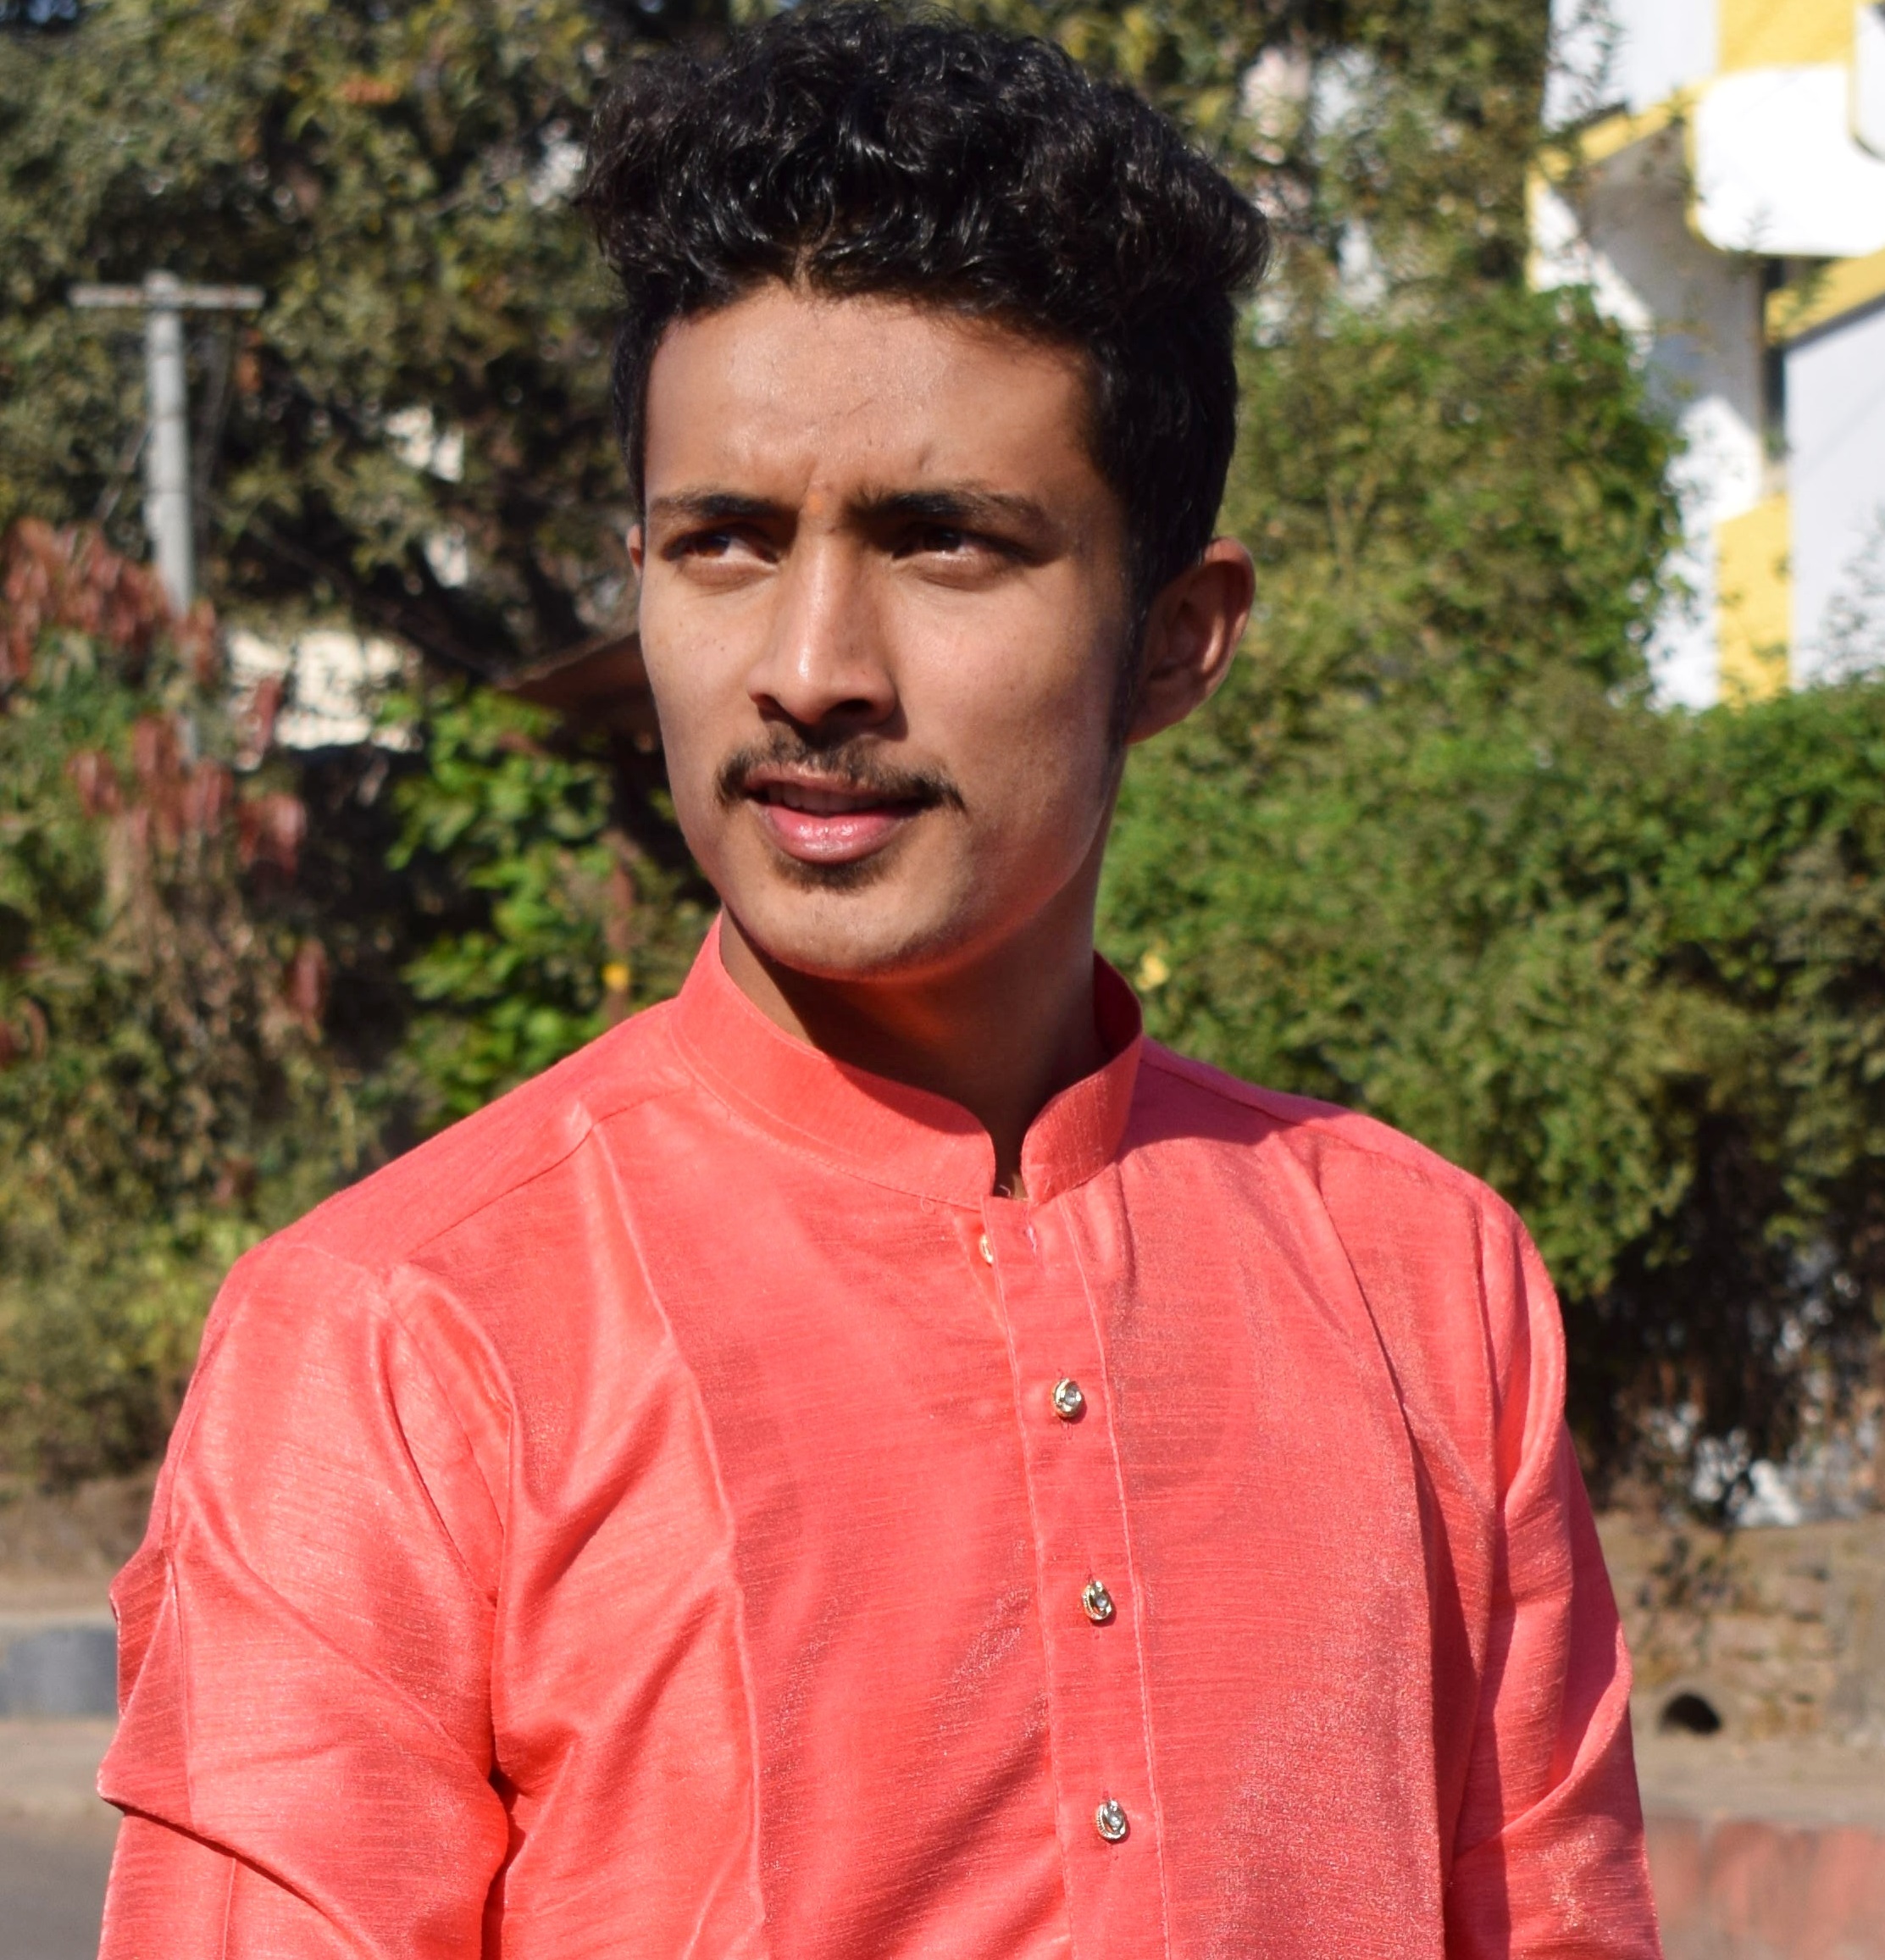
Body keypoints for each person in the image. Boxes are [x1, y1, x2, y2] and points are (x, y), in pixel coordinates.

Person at [97, 7, 1662, 1956]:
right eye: (725, 542)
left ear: (1179, 638)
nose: (812, 668)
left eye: (943, 542)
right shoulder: (401, 1342)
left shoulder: (1430, 1287)